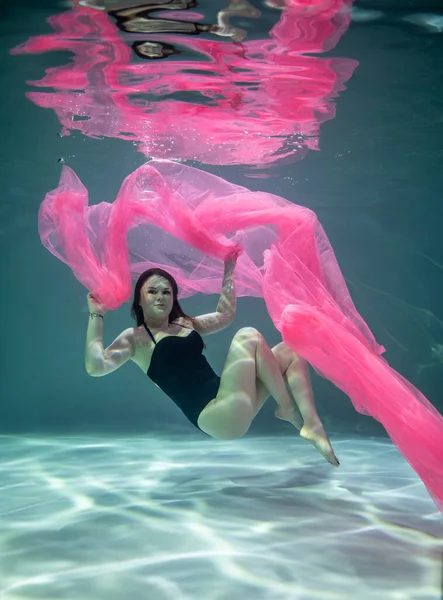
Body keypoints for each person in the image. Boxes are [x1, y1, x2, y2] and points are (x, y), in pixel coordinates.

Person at [85, 248, 339, 466]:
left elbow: (224, 314)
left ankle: (313, 426)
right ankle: (289, 410)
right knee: (248, 335)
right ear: (139, 300)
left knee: (290, 350)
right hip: (215, 415)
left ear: (174, 298)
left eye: (167, 292)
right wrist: (96, 316)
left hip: (232, 402)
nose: (161, 297)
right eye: (152, 292)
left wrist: (229, 268)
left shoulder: (185, 324)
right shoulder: (135, 338)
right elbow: (96, 366)